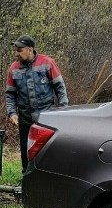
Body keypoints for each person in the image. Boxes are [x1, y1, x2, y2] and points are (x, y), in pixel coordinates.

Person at [5, 35, 68, 171]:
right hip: (25, 119)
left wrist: (63, 111)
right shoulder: (13, 68)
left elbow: (60, 88)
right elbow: (10, 94)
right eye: (15, 50)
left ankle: (48, 177)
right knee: (25, 151)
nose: (16, 53)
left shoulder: (47, 62)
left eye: (19, 50)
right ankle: (26, 179)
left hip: (46, 119)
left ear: (29, 49)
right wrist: (11, 113)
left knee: (47, 151)